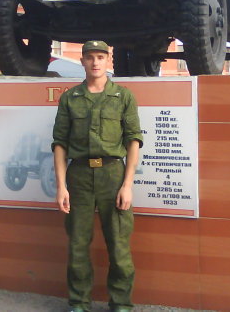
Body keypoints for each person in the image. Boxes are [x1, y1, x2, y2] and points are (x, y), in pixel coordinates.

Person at [52, 40, 142, 312]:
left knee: (118, 244)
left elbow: (133, 141)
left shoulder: (123, 96)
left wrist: (127, 185)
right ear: (82, 61)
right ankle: (79, 303)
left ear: (108, 60)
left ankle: (121, 303)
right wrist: (61, 186)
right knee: (78, 244)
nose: (95, 62)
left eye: (100, 57)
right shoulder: (70, 98)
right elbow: (60, 143)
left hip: (112, 175)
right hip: (79, 176)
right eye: (90, 57)